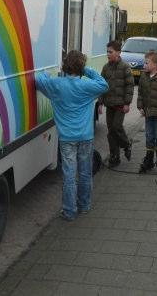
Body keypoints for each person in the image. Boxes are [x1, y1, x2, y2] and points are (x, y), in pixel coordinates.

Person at [35, 50, 108, 221]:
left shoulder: (57, 85)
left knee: (69, 175)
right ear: (81, 67)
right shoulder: (87, 86)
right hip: (86, 136)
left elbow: (39, 80)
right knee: (85, 173)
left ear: (65, 65)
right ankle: (84, 205)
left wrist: (46, 72)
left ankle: (69, 211)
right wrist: (86, 70)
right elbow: (103, 84)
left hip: (67, 138)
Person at [98, 40, 134, 168]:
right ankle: (114, 156)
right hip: (110, 105)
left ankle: (126, 144)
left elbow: (130, 86)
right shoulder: (106, 68)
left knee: (117, 127)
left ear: (118, 53)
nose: (108, 54)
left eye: (110, 52)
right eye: (107, 52)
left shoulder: (125, 67)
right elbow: (101, 86)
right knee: (110, 131)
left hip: (120, 104)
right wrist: (100, 103)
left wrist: (127, 103)